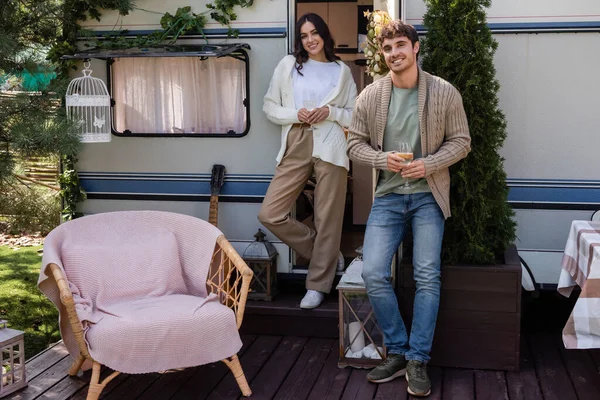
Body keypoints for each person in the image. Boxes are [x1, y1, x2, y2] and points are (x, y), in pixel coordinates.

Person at [346, 20, 471, 397]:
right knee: (372, 272)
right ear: (382, 55)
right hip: (387, 196)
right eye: (387, 49)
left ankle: (418, 359)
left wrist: (428, 164)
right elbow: (354, 145)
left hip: (428, 196)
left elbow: (462, 141)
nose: (394, 53)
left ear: (416, 48)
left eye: (401, 45)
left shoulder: (444, 92)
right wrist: (384, 160)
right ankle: (397, 350)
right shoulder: (370, 95)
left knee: (427, 276)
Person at [259, 13, 357, 309]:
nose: (310, 39)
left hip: (331, 142)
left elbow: (354, 115)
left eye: (315, 33)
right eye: (304, 35)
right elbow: (269, 106)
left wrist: (331, 113)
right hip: (297, 140)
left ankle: (317, 285)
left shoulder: (342, 71)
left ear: (325, 35)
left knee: (328, 216)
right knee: (270, 213)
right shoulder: (289, 65)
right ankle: (324, 253)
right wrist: (295, 114)